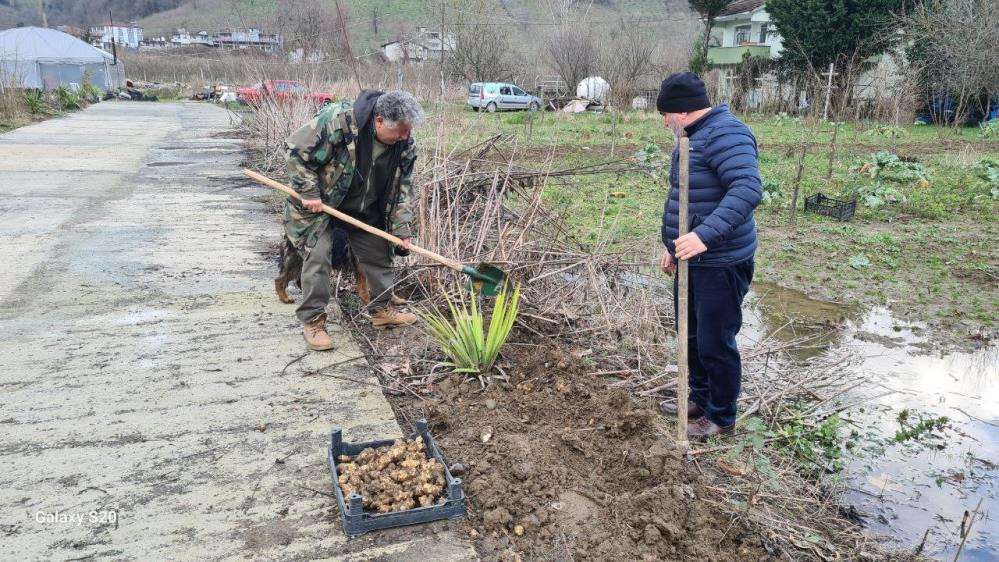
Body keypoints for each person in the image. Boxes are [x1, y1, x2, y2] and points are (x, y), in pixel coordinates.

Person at [656, 72, 763, 439]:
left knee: (715, 342)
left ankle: (721, 417)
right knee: (691, 337)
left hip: (720, 261)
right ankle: (699, 399)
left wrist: (703, 236)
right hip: (693, 260)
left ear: (681, 112)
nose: (665, 122)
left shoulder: (726, 134)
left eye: (665, 114)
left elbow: (747, 190)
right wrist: (674, 246)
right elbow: (687, 197)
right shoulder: (694, 136)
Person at [284, 90, 424, 350]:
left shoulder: (404, 145)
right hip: (320, 205)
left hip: (364, 208)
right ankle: (313, 321)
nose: (406, 136)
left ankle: (381, 311)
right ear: (379, 121)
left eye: (408, 130)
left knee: (378, 254)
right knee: (318, 255)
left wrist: (401, 229)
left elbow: (403, 188)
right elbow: (296, 152)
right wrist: (309, 192)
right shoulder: (337, 120)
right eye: (401, 130)